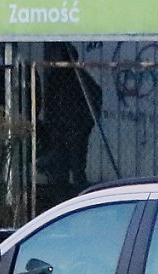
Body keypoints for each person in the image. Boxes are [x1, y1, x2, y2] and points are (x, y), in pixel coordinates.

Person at [39, 42, 102, 187]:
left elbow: (96, 97)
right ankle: (61, 198)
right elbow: (48, 104)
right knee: (60, 168)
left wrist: (86, 125)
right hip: (59, 132)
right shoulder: (55, 78)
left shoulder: (80, 77)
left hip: (76, 132)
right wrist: (51, 126)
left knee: (78, 168)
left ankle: (79, 198)